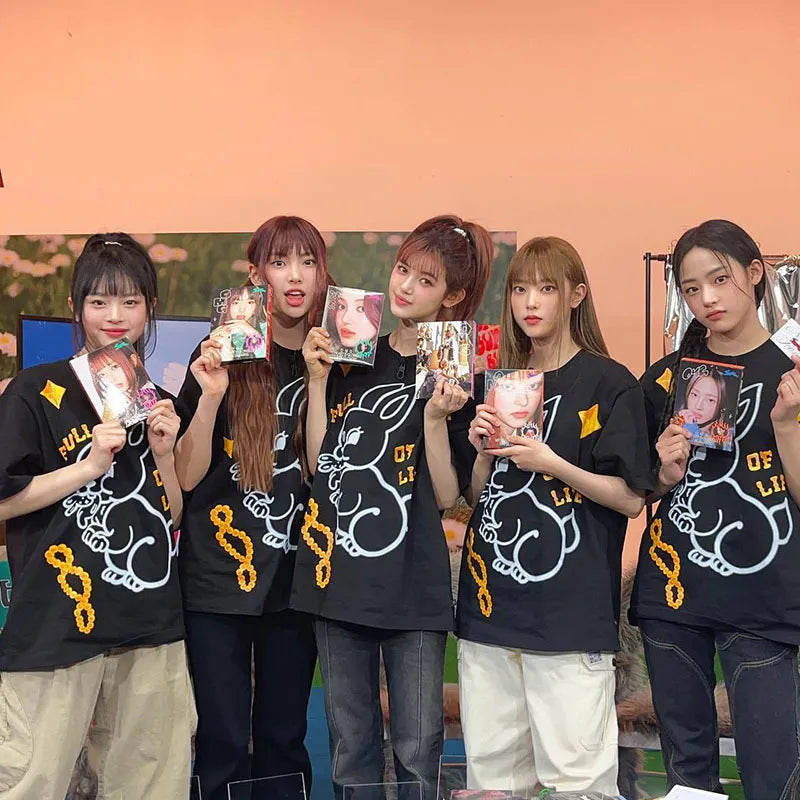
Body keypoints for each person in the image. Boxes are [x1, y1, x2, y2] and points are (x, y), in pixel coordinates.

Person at [293, 215, 493, 800]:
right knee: (350, 748)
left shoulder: (455, 374)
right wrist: (316, 382)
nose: (404, 286)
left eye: (425, 280)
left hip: (415, 585)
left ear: (452, 296)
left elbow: (449, 497)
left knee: (418, 749)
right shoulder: (354, 353)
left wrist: (434, 419)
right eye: (403, 269)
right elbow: (320, 466)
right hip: (338, 577)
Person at [457, 236, 652, 797]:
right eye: (520, 289)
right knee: (493, 780)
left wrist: (552, 463)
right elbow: (476, 496)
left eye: (546, 288)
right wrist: (482, 452)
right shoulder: (500, 381)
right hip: (489, 608)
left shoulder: (609, 383)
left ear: (576, 295)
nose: (530, 302)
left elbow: (631, 498)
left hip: (570, 616)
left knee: (579, 782)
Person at [0, 233, 192, 799]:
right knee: (32, 780)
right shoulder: (33, 391)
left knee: (151, 783)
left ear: (150, 308)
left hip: (148, 623)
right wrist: (86, 468)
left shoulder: (156, 398)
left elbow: (171, 514)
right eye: (99, 301)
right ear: (75, 307)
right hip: (56, 622)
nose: (115, 316)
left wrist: (164, 456)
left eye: (130, 301)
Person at [631, 219, 800, 798]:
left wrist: (786, 426)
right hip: (673, 594)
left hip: (765, 599)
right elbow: (635, 492)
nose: (707, 298)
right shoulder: (666, 379)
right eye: (691, 287)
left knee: (773, 774)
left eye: (720, 279)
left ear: (754, 274)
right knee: (687, 775)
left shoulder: (791, 371)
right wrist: (661, 472)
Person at [175, 216, 329, 800]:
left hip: (295, 580)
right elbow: (186, 475)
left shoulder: (332, 360)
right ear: (256, 275)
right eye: (280, 262)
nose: (295, 276)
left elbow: (328, 473)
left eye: (307, 262)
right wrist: (211, 395)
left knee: (284, 737)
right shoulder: (220, 355)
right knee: (221, 737)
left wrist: (319, 380)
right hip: (218, 578)